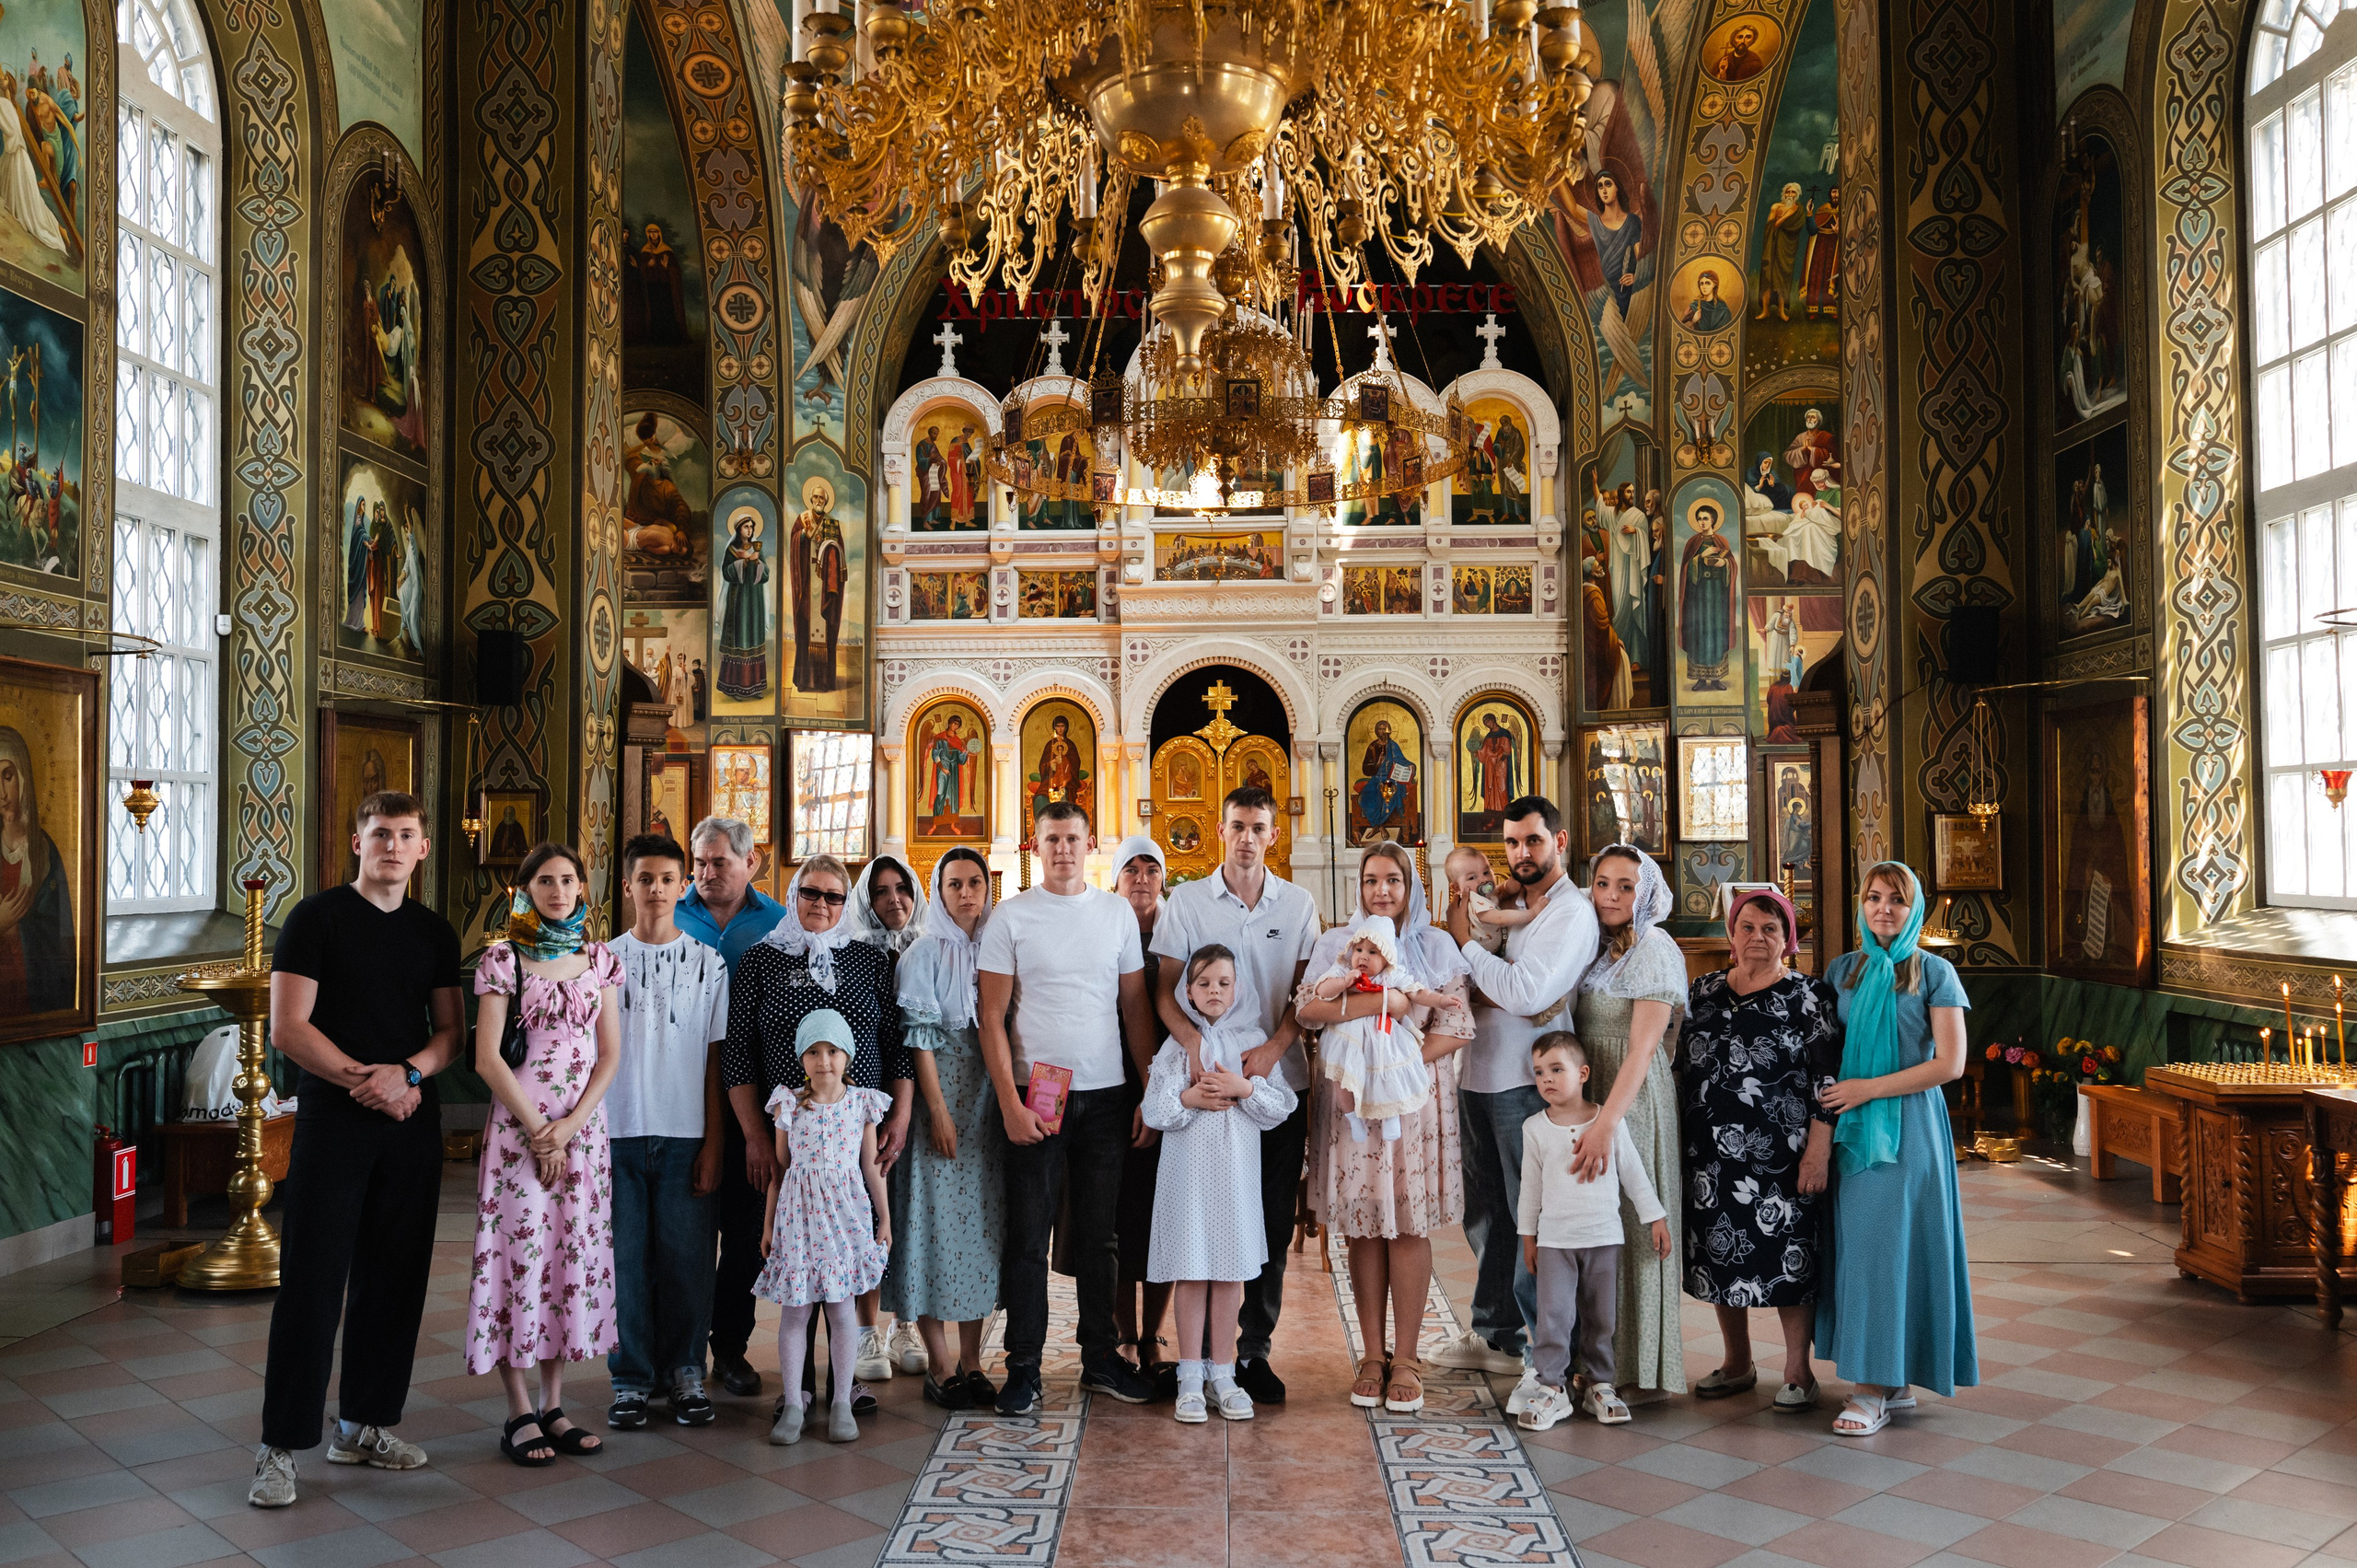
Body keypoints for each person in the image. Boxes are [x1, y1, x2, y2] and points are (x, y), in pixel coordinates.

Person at [251, 794, 463, 1509]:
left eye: (407, 835)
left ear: (424, 848)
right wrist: (365, 1080)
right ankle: (278, 1447)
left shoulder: (434, 931)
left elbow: (448, 1035)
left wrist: (405, 1076)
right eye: (381, 834)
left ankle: (362, 1424)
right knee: (311, 1280)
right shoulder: (316, 918)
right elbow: (288, 1027)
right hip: (333, 1120)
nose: (393, 846)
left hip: (411, 1115)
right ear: (356, 841)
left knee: (394, 1276)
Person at [978, 800, 1161, 1413]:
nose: (1062, 849)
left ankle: (1100, 1358)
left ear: (1090, 844)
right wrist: (1009, 1101)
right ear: (1036, 846)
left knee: (1100, 1237)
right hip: (1038, 1097)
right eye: (1051, 839)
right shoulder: (1012, 916)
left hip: (1107, 1097)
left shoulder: (1113, 913)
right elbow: (992, 1018)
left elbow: (1135, 1008)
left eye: (1072, 838)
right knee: (1029, 1235)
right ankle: (1023, 1366)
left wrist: (1149, 1090)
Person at [725, 854, 912, 1421]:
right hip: (790, 1141)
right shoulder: (761, 961)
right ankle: (797, 1385)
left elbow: (896, 1043)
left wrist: (899, 1117)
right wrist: (756, 1137)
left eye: (835, 896)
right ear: (792, 893)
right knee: (797, 1263)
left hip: (856, 1132)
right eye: (812, 893)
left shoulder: (869, 959)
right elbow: (737, 1055)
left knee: (847, 1261)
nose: (823, 905)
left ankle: (845, 1384)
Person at [1150, 785, 1320, 1404]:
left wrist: (1274, 1048)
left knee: (1268, 1223)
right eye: (1238, 825)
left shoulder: (1297, 903)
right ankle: (1197, 1358)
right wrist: (1192, 1048)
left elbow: (1307, 994)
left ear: (1273, 835)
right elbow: (1166, 989)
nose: (1247, 836)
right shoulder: (1189, 901)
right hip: (1201, 1084)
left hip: (1276, 1079)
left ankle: (1251, 1352)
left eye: (1258, 826)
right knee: (1200, 1224)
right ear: (1221, 829)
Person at [1297, 844, 1475, 1415]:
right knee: (1365, 1227)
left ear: (1411, 886)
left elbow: (1458, 1023)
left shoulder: (1435, 945)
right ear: (1359, 887)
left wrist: (1397, 1062)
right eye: (1371, 880)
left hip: (1413, 1103)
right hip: (1352, 1097)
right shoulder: (1337, 943)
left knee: (1407, 1227)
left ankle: (1407, 1358)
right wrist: (1383, 1008)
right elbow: (1306, 1010)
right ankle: (1371, 1356)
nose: (1382, 891)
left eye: (1393, 880)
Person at [1438, 798, 1600, 1411]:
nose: (1521, 854)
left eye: (1532, 841)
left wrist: (1465, 950)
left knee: (1533, 1220)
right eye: (1511, 843)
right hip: (1477, 1072)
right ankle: (1494, 1332)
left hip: (1526, 1082)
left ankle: (1551, 1359)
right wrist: (1479, 981)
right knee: (1487, 1216)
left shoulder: (1568, 911)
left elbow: (1528, 991)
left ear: (1558, 839)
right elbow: (1482, 989)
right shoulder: (1511, 903)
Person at [467, 842, 622, 1466]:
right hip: (518, 1132)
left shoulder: (600, 958)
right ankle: (517, 1409)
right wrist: (538, 1129)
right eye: (545, 880)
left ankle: (554, 1403)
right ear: (525, 889)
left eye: (568, 879)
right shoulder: (504, 959)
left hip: (582, 1134)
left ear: (583, 887)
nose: (558, 890)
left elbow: (610, 1055)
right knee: (518, 1255)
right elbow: (485, 1056)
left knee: (566, 1254)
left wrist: (570, 1127)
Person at [1817, 862, 1980, 1435]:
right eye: (1874, 897)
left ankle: (1868, 1390)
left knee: (1887, 1249)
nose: (1884, 909)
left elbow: (1949, 1064)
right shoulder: (1844, 971)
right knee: (1865, 1249)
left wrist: (1867, 1089)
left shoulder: (1934, 972)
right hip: (1853, 1131)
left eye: (1898, 901)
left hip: (1909, 1126)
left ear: (1917, 909)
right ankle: (1893, 1376)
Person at [1679, 888, 1838, 1412]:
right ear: (1731, 934)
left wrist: (1819, 1150)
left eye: (1771, 929)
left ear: (1788, 940)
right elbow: (1680, 1067)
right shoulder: (1701, 991)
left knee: (1789, 1259)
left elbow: (1827, 1082)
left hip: (1783, 1156)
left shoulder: (1809, 997)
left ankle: (1797, 1370)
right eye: (1747, 927)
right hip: (1711, 1153)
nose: (1757, 938)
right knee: (1724, 1253)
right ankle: (1737, 1361)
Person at [603, 834, 733, 1431]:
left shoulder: (709, 963)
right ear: (626, 885)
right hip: (616, 1130)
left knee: (686, 1261)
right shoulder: (601, 963)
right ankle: (630, 1377)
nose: (655, 888)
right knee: (623, 1262)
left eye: (666, 878)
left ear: (683, 885)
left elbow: (714, 1060)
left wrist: (714, 1141)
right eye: (644, 878)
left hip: (685, 1133)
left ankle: (685, 1370)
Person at [1145, 947, 1300, 1423]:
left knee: (1230, 1272)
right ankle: (1189, 1375)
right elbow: (1155, 1111)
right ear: (1188, 992)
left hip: (1234, 1181)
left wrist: (1244, 1088)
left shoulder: (1252, 1043)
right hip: (1188, 1182)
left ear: (1239, 989)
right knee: (1192, 1271)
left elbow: (1282, 1107)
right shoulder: (1177, 1047)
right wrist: (1189, 1097)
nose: (1215, 991)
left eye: (1224, 983)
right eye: (1205, 983)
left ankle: (1224, 1372)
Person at [1563, 846, 1689, 1401]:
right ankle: (1594, 1360)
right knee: (1595, 1227)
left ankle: (1639, 1370)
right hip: (1591, 1095)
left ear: (1648, 893)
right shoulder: (1598, 949)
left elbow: (1644, 1051)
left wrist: (1607, 1123)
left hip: (1630, 1102)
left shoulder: (1655, 949)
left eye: (1626, 887)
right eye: (1603, 884)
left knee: (1637, 1228)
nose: (1611, 896)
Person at [883, 848, 1005, 1409]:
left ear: (987, 887)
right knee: (930, 1228)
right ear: (939, 889)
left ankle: (975, 1361)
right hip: (943, 1102)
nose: (966, 894)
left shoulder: (998, 947)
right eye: (954, 884)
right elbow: (920, 1042)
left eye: (975, 882)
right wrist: (936, 1112)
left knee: (981, 1229)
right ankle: (941, 1365)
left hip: (987, 1099)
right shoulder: (924, 953)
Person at [677, 817, 787, 1400]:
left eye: (720, 862)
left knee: (745, 1232)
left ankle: (731, 1350)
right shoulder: (672, 914)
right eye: (700, 861)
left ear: (752, 863)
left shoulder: (776, 925)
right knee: (684, 1232)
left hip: (754, 1097)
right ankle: (681, 1352)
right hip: (680, 1092)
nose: (707, 872)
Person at [1516, 1033, 1671, 1429]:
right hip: (1554, 1243)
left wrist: (1655, 1218)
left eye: (1556, 1069)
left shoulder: (1608, 1123)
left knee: (1602, 1317)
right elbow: (1530, 1188)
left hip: (1603, 1238)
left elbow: (1634, 1176)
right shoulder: (1534, 1128)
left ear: (1582, 1073)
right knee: (1554, 1317)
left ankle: (1600, 1384)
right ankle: (1551, 1387)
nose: (1546, 1079)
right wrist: (1528, 1237)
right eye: (1539, 1072)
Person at [758, 1010, 893, 1445]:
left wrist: (884, 1217)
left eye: (833, 1051)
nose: (824, 1061)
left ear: (847, 1055)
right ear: (802, 1058)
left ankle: (840, 1401)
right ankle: (794, 1403)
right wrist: (769, 1226)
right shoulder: (787, 1105)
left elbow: (872, 1170)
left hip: (845, 1220)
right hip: (797, 1221)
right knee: (795, 1312)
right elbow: (781, 1171)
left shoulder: (862, 1104)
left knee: (840, 1309)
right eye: (814, 1052)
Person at [1305, 917, 1461, 1144]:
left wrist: (1441, 1000)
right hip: (1348, 1035)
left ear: (1387, 956)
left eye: (1373, 952)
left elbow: (1417, 992)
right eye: (1358, 949)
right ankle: (1353, 1118)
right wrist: (1343, 983)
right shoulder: (1344, 969)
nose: (1363, 956)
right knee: (1342, 1079)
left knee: (1389, 1072)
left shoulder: (1391, 975)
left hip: (1381, 1035)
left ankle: (1391, 1116)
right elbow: (1322, 989)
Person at [1110, 836, 1175, 1375]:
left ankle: (1153, 1333)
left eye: (1150, 868)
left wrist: (1160, 1094)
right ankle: (1121, 1332)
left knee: (1161, 1215)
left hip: (1169, 1089)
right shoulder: (1103, 927)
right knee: (1115, 1216)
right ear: (1115, 880)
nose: (1140, 878)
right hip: (1112, 1086)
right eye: (1129, 869)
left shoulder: (1179, 934)